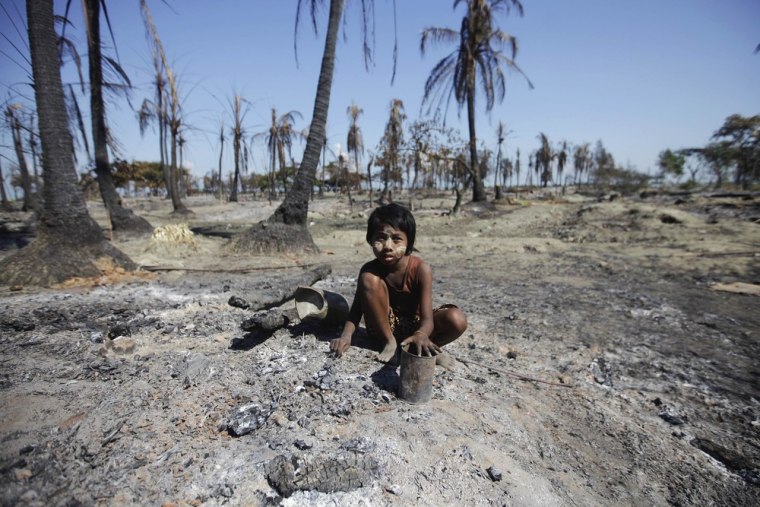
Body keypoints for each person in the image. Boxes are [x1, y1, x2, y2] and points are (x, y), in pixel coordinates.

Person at [329, 203, 467, 365]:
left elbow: (427, 318)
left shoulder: (421, 269)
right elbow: (356, 310)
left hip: (417, 328)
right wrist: (346, 337)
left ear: (409, 241)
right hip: (381, 330)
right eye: (380, 238)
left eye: (396, 239)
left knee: (456, 318)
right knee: (368, 277)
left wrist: (422, 334)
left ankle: (424, 348)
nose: (388, 246)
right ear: (370, 239)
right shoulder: (370, 271)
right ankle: (390, 344)